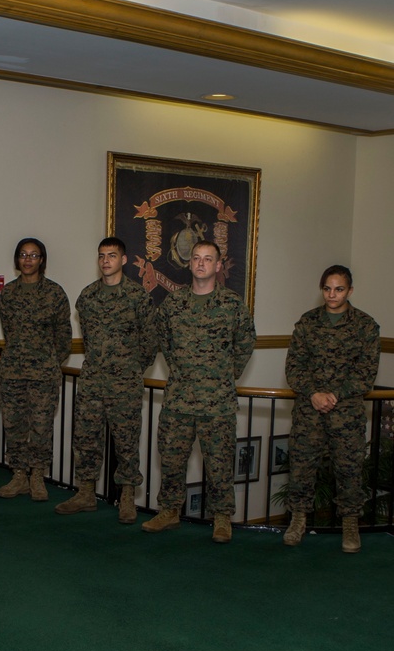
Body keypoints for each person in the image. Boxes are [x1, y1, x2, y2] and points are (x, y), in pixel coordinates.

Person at [142, 240, 255, 543]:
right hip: (179, 399)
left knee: (219, 463)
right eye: (196, 258)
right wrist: (183, 372)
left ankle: (221, 517)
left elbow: (245, 345)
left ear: (219, 266)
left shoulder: (232, 305)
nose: (201, 263)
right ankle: (168, 511)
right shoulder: (173, 304)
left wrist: (223, 377)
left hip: (217, 403)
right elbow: (164, 341)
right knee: (171, 460)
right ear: (189, 264)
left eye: (208, 259)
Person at [55, 237, 157, 522]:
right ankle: (86, 492)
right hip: (93, 383)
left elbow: (150, 342)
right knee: (85, 439)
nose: (105, 261)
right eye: (101, 256)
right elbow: (88, 337)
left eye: (111, 256)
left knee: (126, 442)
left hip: (125, 384)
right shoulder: (87, 297)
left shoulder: (138, 297)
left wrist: (132, 369)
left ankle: (127, 498)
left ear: (123, 260)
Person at [282, 265, 379, 553]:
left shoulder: (365, 325)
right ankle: (298, 520)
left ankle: (350, 525)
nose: (332, 294)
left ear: (350, 291)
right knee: (301, 467)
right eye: (327, 288)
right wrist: (313, 393)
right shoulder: (307, 322)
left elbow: (366, 372)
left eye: (338, 289)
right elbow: (293, 366)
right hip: (308, 412)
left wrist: (334, 395)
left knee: (349, 470)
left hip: (346, 413)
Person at [0, 238, 71, 501]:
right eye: (23, 255)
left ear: (42, 260)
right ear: (17, 259)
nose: (28, 260)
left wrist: (48, 360)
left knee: (41, 427)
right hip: (13, 372)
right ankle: (18, 476)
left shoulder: (54, 293)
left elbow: (64, 336)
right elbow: (9, 331)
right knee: (14, 425)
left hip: (43, 375)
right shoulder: (9, 293)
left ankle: (37, 476)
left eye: (34, 255)